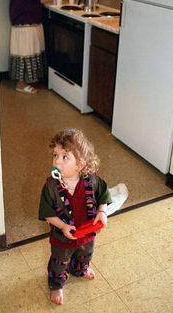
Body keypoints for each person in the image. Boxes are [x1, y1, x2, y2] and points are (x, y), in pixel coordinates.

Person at [39, 128, 112, 305]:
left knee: (85, 253)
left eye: (65, 157)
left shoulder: (92, 180)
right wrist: (63, 226)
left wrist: (102, 211)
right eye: (55, 155)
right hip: (62, 236)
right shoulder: (51, 187)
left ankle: (80, 269)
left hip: (87, 231)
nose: (57, 160)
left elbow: (103, 195)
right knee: (60, 260)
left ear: (80, 164)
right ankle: (56, 284)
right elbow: (47, 214)